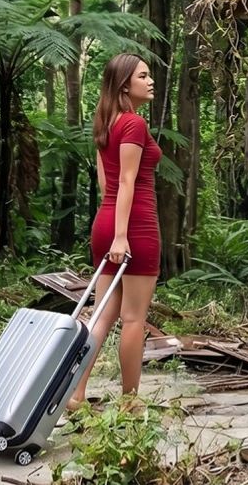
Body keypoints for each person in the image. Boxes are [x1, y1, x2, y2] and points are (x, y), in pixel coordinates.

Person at [67, 53, 162, 413]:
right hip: (133, 226)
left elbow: (105, 181)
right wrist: (122, 236)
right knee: (134, 318)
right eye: (144, 75)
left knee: (101, 315)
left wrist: (112, 232)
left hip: (105, 222)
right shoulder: (134, 125)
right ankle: (129, 404)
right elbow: (125, 182)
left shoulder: (105, 123)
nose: (150, 81)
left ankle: (76, 394)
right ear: (125, 85)